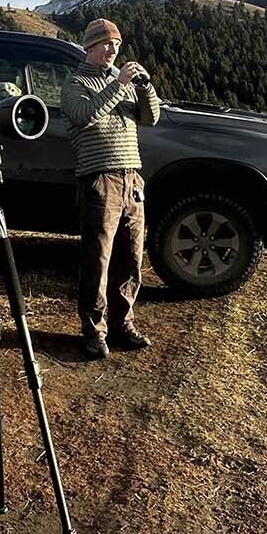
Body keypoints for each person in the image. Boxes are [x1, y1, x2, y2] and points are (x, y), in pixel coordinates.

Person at [61, 18, 161, 360]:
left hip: (132, 179)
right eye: (106, 44)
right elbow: (83, 115)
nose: (112, 49)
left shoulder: (122, 83)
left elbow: (150, 118)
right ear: (89, 46)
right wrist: (118, 84)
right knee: (97, 260)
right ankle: (94, 331)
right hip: (100, 180)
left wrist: (146, 88)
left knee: (130, 258)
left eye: (117, 45)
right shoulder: (76, 83)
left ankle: (123, 323)